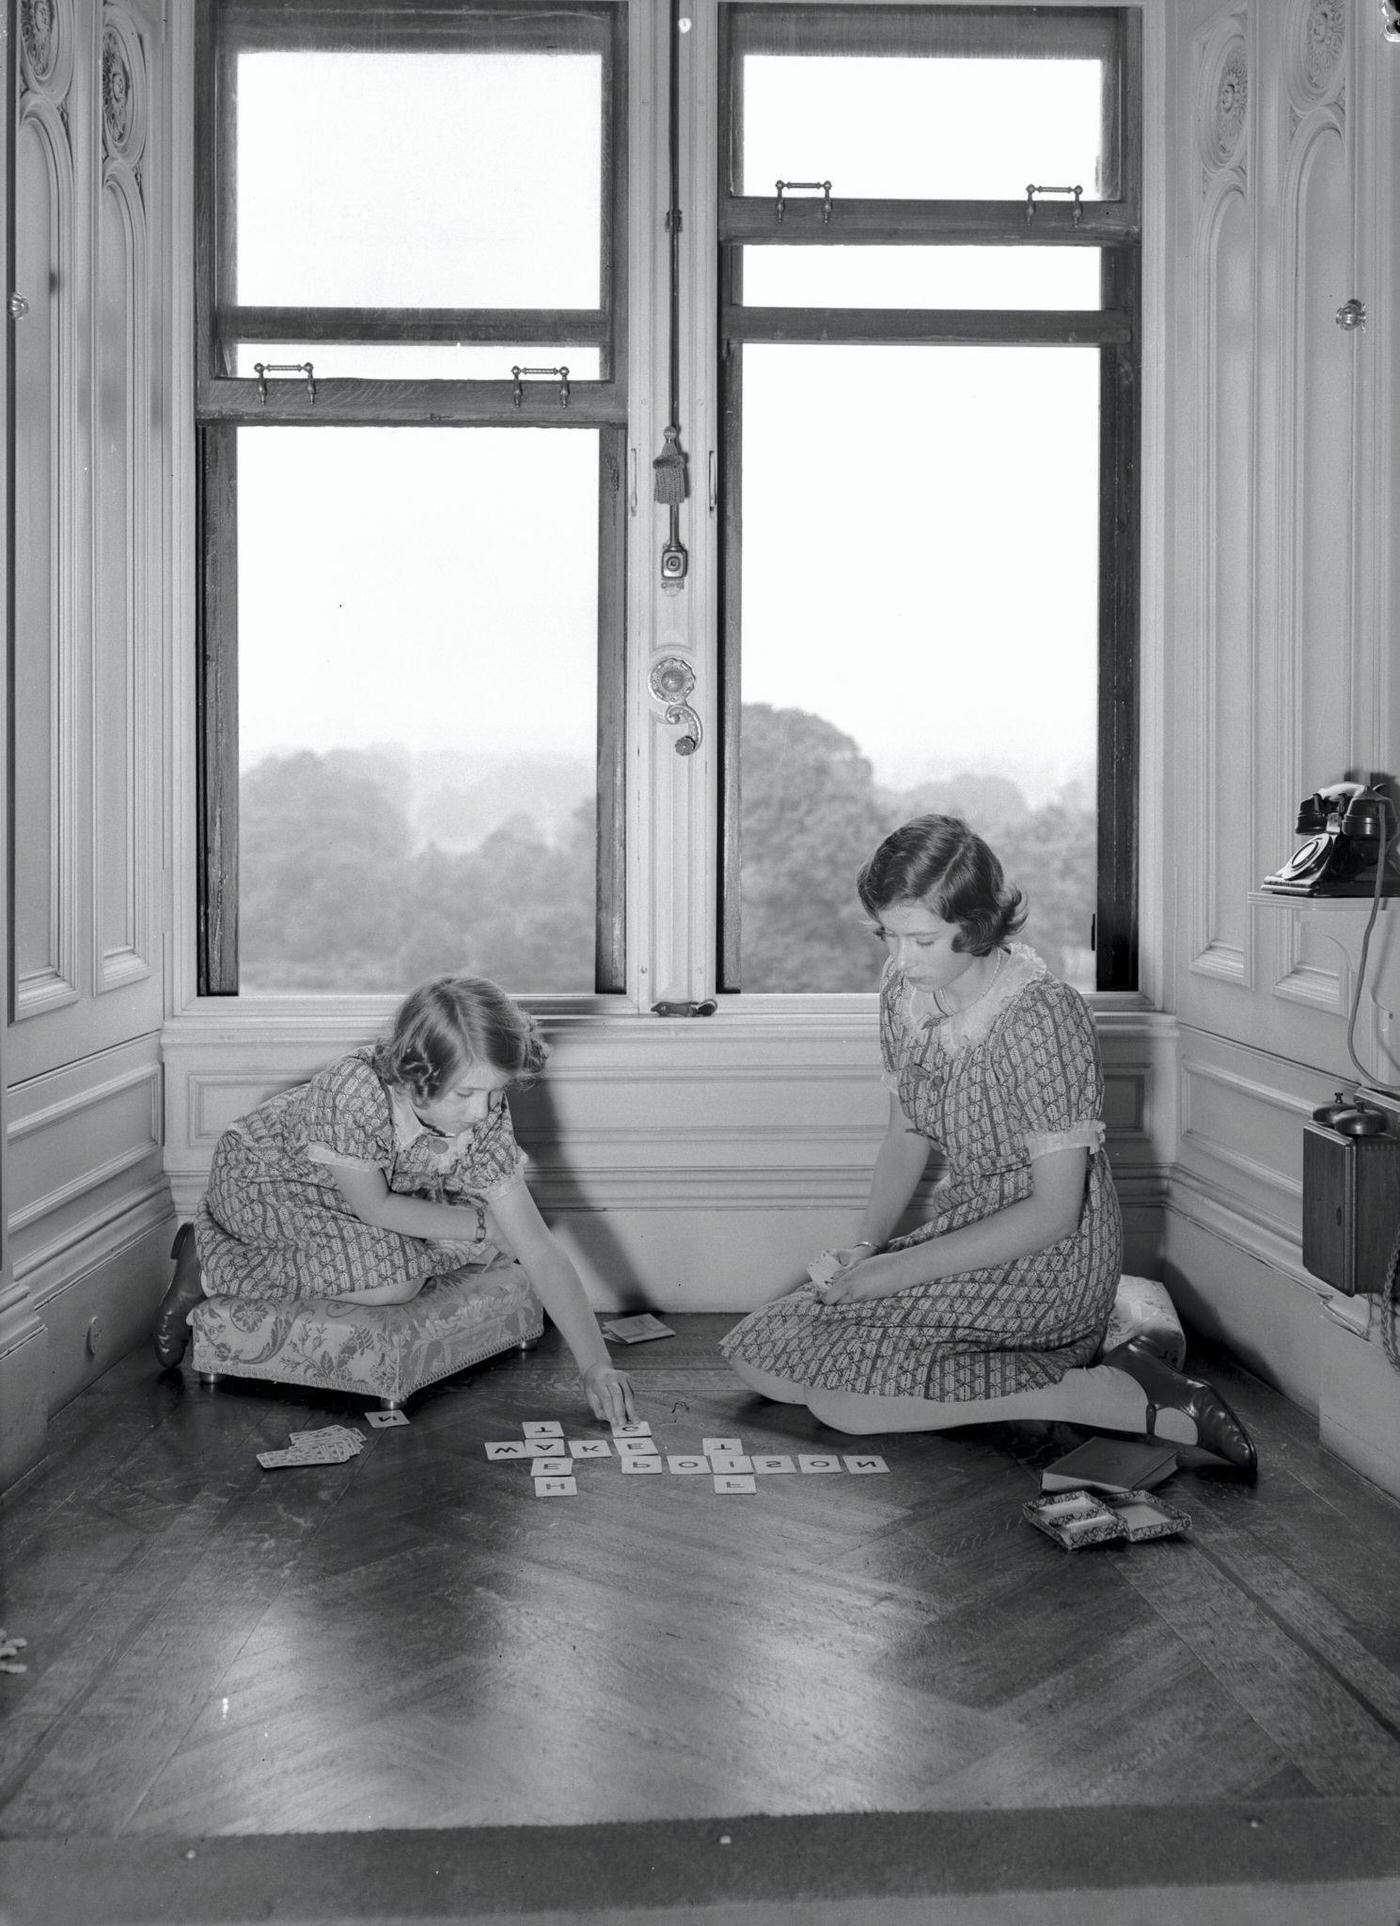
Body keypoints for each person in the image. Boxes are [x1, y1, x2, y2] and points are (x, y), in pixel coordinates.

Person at [721, 816, 1256, 1477]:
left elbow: (1054, 1212)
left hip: (1052, 1258)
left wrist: (894, 1273)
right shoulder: (903, 991)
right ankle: (1032, 1374)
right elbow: (905, 1133)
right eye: (889, 934)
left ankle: (1126, 1396)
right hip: (968, 1232)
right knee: (762, 1355)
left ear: (974, 926)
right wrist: (869, 1245)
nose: (901, 957)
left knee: (844, 1403)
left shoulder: (1042, 1016)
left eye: (922, 939)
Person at [153, 974, 637, 1427]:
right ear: (417, 1075)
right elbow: (377, 1209)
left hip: (353, 1194)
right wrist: (481, 1226)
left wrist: (596, 1365)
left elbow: (538, 1248)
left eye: (495, 1092)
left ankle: (243, 1256)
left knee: (472, 1245)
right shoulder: (353, 1093)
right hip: (264, 1180)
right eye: (466, 1092)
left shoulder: (481, 1113)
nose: (481, 1111)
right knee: (396, 1283)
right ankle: (209, 1261)